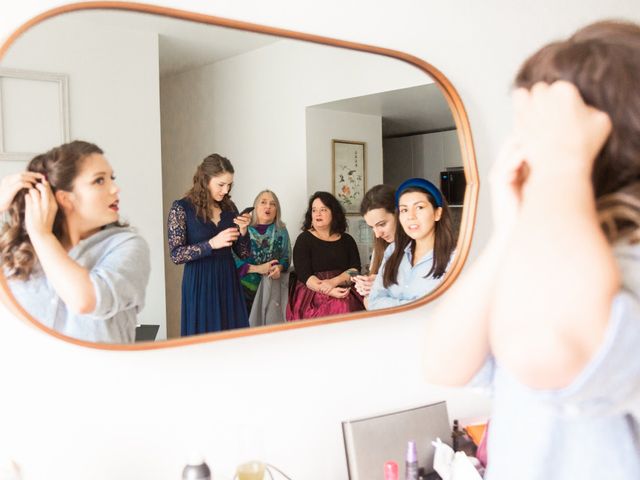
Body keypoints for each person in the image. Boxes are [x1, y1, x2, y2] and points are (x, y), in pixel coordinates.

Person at [423, 21, 640, 480]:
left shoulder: (623, 257)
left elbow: (546, 347)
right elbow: (445, 360)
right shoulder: (538, 248)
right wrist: (510, 230)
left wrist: (562, 164)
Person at [0, 140, 150, 344]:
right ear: (65, 198)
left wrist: (42, 235)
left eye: (111, 178)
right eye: (99, 181)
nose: (115, 189)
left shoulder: (127, 245)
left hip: (104, 375)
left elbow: (85, 300)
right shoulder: (18, 248)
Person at [167, 153, 251, 335]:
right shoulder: (181, 208)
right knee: (204, 342)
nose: (226, 190)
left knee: (232, 340)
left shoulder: (230, 207)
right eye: (221, 185)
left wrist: (244, 232)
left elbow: (243, 253)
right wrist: (211, 244)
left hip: (227, 279)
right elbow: (176, 254)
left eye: (229, 185)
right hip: (199, 282)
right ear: (205, 180)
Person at [368, 178, 455, 310]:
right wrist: (418, 306)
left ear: (438, 213)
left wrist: (392, 303)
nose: (411, 216)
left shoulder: (456, 256)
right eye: (404, 210)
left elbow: (448, 309)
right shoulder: (393, 250)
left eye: (419, 207)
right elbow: (374, 301)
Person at [286, 191, 364, 320]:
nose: (317, 214)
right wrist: (328, 290)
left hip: (343, 285)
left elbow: (355, 270)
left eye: (323, 209)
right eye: (314, 210)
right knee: (340, 306)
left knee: (358, 305)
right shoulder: (304, 239)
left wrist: (334, 282)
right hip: (313, 290)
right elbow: (303, 274)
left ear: (334, 213)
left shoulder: (347, 240)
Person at [233, 190, 291, 323]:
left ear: (277, 210)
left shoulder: (281, 230)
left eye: (273, 204)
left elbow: (286, 257)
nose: (268, 207)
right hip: (243, 290)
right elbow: (232, 259)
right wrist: (258, 268)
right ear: (255, 207)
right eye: (263, 202)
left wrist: (279, 268)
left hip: (271, 290)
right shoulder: (241, 228)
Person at [352, 184, 397, 307]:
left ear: (399, 213)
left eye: (382, 224)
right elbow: (368, 304)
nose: (377, 234)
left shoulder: (418, 249)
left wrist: (382, 286)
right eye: (372, 227)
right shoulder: (382, 247)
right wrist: (367, 289)